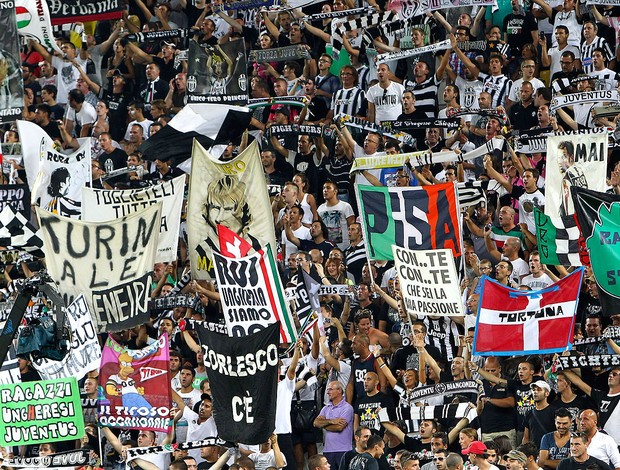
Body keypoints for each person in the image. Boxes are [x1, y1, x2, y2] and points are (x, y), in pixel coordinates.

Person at [314, 381, 354, 470]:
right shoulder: (326, 408)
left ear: (339, 390)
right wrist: (332, 421)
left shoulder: (347, 408)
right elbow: (316, 423)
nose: (328, 392)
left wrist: (323, 425)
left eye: (330, 389)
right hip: (328, 451)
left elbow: (339, 427)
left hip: (343, 451)